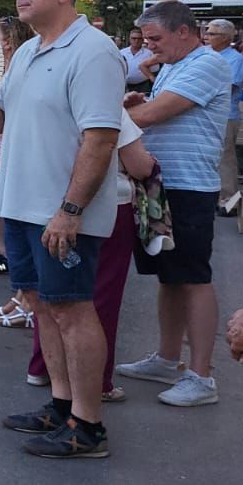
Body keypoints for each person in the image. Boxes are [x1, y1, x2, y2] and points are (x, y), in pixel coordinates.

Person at [0, 0, 124, 459]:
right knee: (41, 304)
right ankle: (61, 404)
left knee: (71, 308)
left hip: (59, 211)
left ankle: (89, 426)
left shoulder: (93, 51)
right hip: (22, 205)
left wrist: (70, 209)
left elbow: (101, 138)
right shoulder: (26, 53)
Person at [114, 0, 233, 408]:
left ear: (184, 32)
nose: (149, 49)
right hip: (160, 186)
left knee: (194, 277)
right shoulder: (172, 65)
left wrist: (117, 113)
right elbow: (149, 111)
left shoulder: (208, 64)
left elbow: (154, 115)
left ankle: (201, 376)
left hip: (189, 187)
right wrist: (135, 105)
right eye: (145, 40)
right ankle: (167, 359)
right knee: (170, 276)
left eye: (155, 39)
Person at [27, 110, 154, 402]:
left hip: (44, 204)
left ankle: (42, 367)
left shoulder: (49, 100)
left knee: (49, 296)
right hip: (102, 207)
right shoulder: (107, 108)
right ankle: (97, 383)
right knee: (98, 300)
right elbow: (140, 166)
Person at [0, 18, 33, 280]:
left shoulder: (22, 70)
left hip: (13, 146)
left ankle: (20, 261)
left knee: (13, 207)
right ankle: (5, 256)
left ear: (8, 41)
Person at [202, 18, 243, 211]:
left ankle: (229, 201)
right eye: (207, 32)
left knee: (226, 159)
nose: (206, 37)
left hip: (226, 115)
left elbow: (229, 86)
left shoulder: (236, 59)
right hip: (207, 114)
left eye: (212, 33)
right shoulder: (205, 55)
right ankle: (214, 197)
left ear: (225, 37)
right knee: (210, 158)